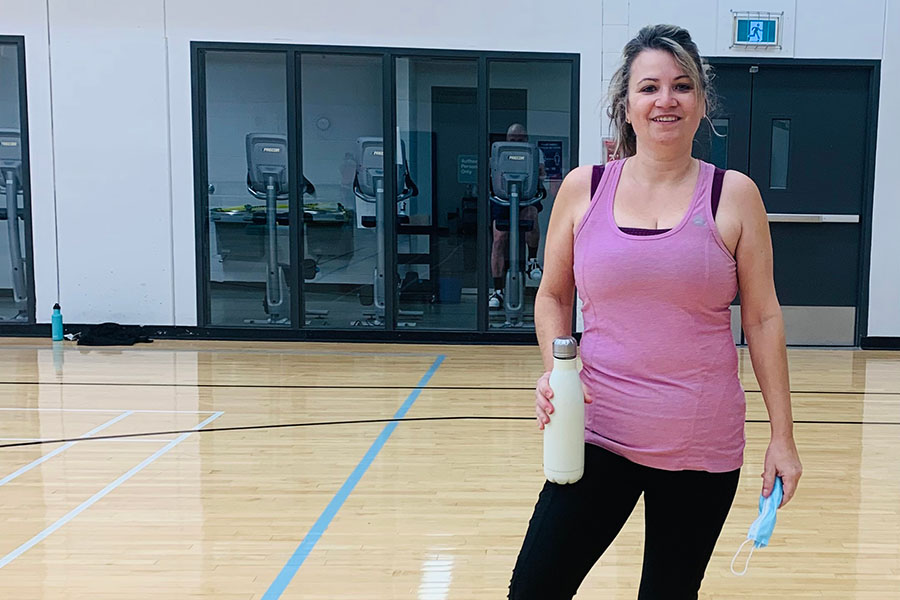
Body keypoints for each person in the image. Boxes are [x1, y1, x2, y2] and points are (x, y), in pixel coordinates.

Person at [508, 24, 802, 599]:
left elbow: (763, 318)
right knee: (533, 590)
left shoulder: (734, 195)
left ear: (701, 103)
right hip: (597, 432)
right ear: (626, 104)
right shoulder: (582, 189)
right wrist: (555, 369)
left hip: (699, 441)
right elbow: (552, 294)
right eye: (649, 88)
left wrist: (783, 438)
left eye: (681, 86)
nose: (665, 101)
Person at [489, 123, 545, 309]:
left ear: (526, 139)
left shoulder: (535, 153)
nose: (517, 143)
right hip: (503, 196)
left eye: (520, 139)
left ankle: (532, 261)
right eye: (513, 140)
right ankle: (497, 290)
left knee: (532, 216)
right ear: (507, 139)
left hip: (527, 195)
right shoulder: (498, 153)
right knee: (499, 238)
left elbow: (541, 175)